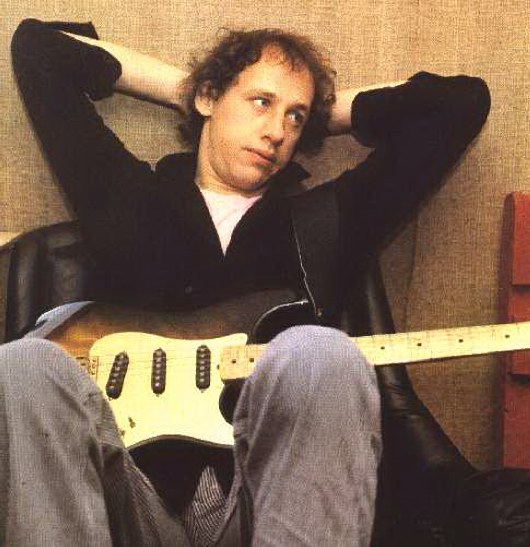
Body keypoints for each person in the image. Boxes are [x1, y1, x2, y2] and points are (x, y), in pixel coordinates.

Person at [4, 17, 490, 546]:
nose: (277, 131)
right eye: (261, 102)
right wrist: (190, 91)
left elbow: (458, 105)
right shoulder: (127, 198)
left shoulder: (327, 221)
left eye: (294, 117)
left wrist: (321, 115)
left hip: (257, 501)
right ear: (210, 98)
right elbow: (40, 50)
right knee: (23, 363)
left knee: (323, 353)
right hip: (125, 500)